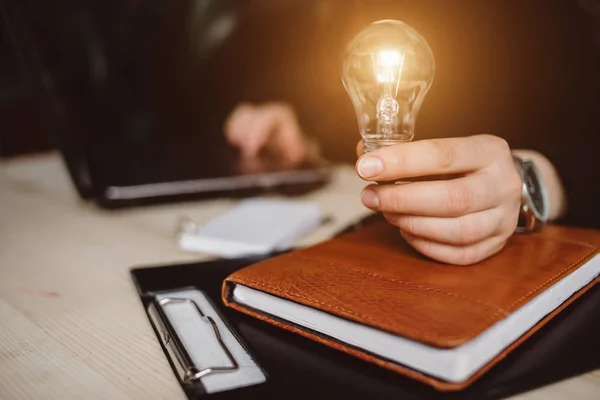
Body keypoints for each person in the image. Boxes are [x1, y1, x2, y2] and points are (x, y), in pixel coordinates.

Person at [222, 0, 599, 264]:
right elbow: (326, 90)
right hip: (351, 221)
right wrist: (298, 129)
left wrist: (534, 179)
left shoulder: (545, 21)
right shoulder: (342, 15)